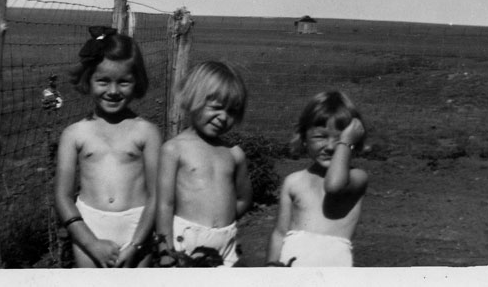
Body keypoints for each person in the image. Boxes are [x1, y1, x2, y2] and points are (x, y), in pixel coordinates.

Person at [54, 26, 162, 268]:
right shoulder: (74, 134)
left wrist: (136, 244)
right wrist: (90, 242)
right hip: (89, 226)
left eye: (123, 82)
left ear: (137, 82)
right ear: (88, 80)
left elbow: (157, 194)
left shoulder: (147, 132)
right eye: (103, 81)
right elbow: (62, 196)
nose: (113, 91)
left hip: (138, 229)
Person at [156, 61, 253, 267]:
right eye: (216, 108)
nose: (223, 117)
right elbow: (165, 205)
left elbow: (244, 198)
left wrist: (221, 220)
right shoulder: (174, 149)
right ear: (193, 100)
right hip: (187, 240)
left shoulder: (234, 154)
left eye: (232, 111)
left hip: (226, 241)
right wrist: (165, 250)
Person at [266, 90, 368, 267]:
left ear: (352, 141)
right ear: (304, 138)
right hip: (292, 267)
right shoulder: (294, 181)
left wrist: (346, 143)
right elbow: (280, 233)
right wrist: (271, 266)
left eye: (339, 139)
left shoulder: (357, 177)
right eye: (320, 136)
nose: (330, 147)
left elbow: (333, 185)